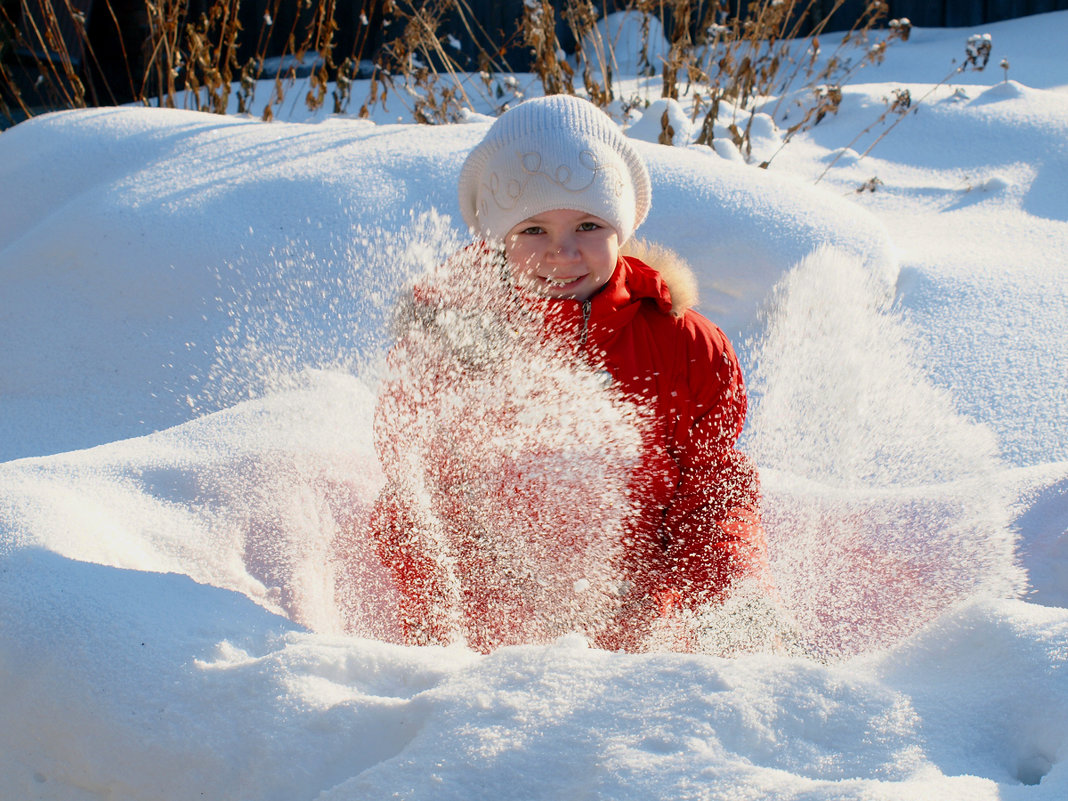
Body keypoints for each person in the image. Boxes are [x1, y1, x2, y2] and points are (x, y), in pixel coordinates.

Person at [368, 94, 773, 654]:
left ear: (621, 229)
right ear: (498, 239)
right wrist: (446, 645)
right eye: (533, 229)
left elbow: (710, 492)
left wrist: (729, 607)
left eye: (587, 224)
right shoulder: (448, 338)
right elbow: (416, 489)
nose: (562, 252)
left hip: (632, 623)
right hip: (486, 626)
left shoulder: (684, 347)